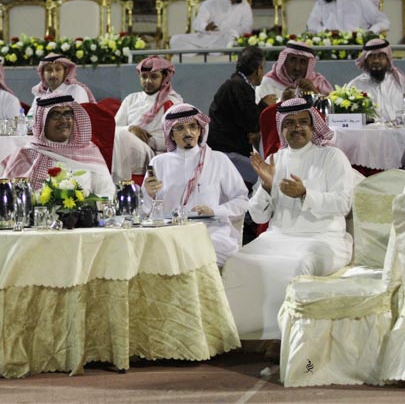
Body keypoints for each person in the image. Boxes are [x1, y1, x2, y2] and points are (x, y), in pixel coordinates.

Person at [222, 97, 353, 340]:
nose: (297, 127)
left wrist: (305, 194)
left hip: (324, 238)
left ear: (313, 127)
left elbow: (344, 203)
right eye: (290, 123)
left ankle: (287, 337)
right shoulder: (276, 159)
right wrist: (266, 186)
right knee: (237, 263)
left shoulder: (332, 157)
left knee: (298, 266)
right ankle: (248, 337)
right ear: (281, 128)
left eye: (303, 122)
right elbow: (258, 215)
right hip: (278, 237)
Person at [142, 103, 248, 266]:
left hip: (211, 232)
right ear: (171, 134)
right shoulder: (158, 163)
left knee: (196, 251)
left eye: (192, 126)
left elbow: (242, 200)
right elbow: (146, 211)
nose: (188, 133)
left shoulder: (218, 159)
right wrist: (149, 195)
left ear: (200, 130)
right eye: (180, 128)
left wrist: (215, 210)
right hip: (170, 232)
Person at [1, 93, 115, 198]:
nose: (64, 120)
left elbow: (107, 192)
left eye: (68, 114)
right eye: (56, 114)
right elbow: (7, 194)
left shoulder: (89, 152)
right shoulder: (27, 153)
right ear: (43, 120)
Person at [208, 46, 276, 186]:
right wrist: (264, 105)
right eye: (263, 68)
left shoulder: (237, 84)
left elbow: (244, 121)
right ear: (258, 69)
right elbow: (252, 123)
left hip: (228, 151)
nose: (263, 73)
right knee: (267, 178)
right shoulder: (237, 87)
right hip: (227, 154)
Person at [112, 56, 183, 182]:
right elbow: (113, 128)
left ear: (164, 77)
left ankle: (121, 184)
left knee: (120, 136)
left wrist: (149, 140)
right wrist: (131, 129)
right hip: (127, 146)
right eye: (144, 77)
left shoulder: (172, 102)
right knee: (116, 136)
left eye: (154, 77)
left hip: (153, 153)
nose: (148, 81)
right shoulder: (131, 99)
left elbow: (176, 139)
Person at [170, 0, 252, 51]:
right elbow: (198, 22)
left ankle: (207, 50)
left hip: (228, 40)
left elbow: (247, 28)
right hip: (208, 39)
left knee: (229, 39)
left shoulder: (245, 6)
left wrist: (231, 33)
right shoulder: (210, 4)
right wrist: (205, 26)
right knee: (175, 39)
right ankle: (207, 50)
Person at [348, 39, 405, 121]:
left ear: (388, 58)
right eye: (371, 56)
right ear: (365, 60)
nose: (376, 60)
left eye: (381, 56)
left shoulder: (401, 82)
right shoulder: (355, 86)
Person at [255, 41, 332, 103]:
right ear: (284, 62)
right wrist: (282, 101)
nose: (297, 68)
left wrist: (315, 93)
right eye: (292, 60)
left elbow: (332, 110)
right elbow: (259, 113)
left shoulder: (319, 82)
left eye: (303, 62)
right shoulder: (267, 83)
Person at [27, 53, 96, 118]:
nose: (53, 74)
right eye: (49, 70)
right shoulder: (40, 94)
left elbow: (79, 120)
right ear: (43, 74)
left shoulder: (77, 90)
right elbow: (29, 119)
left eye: (58, 69)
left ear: (65, 72)